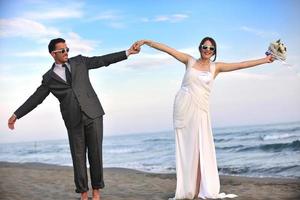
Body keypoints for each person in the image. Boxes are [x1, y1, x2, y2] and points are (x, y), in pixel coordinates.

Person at [137, 37, 274, 199]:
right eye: (205, 47)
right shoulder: (189, 61)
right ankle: (190, 190)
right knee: (188, 150)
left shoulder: (216, 67)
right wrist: (146, 42)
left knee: (202, 147)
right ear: (200, 48)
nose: (207, 50)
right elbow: (169, 50)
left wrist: (265, 60)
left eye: (211, 48)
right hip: (184, 110)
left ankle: (203, 187)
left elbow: (242, 64)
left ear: (214, 52)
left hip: (201, 112)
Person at [7, 38, 140, 200]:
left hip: (93, 114)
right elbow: (36, 98)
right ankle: (84, 194)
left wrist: (127, 53)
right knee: (78, 158)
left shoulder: (80, 61)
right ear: (52, 54)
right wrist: (16, 114)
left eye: (67, 49)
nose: (66, 53)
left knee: (96, 154)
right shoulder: (48, 78)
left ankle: (96, 192)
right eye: (62, 50)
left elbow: (102, 60)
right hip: (73, 120)